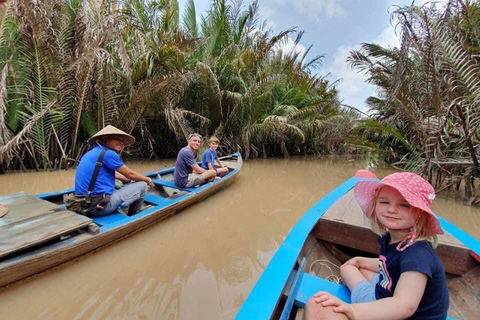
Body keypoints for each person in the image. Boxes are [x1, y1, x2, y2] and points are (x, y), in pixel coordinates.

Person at [305, 172, 449, 320]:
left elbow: (403, 305)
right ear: (375, 204)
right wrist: (361, 260)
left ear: (420, 213)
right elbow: (390, 264)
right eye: (384, 202)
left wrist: (353, 311)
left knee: (317, 304)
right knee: (355, 266)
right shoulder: (394, 240)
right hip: (387, 295)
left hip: (394, 311)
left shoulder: (418, 256)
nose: (391, 210)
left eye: (404, 205)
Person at [67, 125, 155, 217]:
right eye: (117, 139)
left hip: (84, 203)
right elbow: (130, 174)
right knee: (143, 185)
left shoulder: (91, 153)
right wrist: (148, 180)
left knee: (120, 183)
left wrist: (131, 180)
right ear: (105, 138)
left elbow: (121, 175)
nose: (121, 143)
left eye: (122, 141)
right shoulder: (109, 154)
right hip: (99, 207)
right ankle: (134, 215)